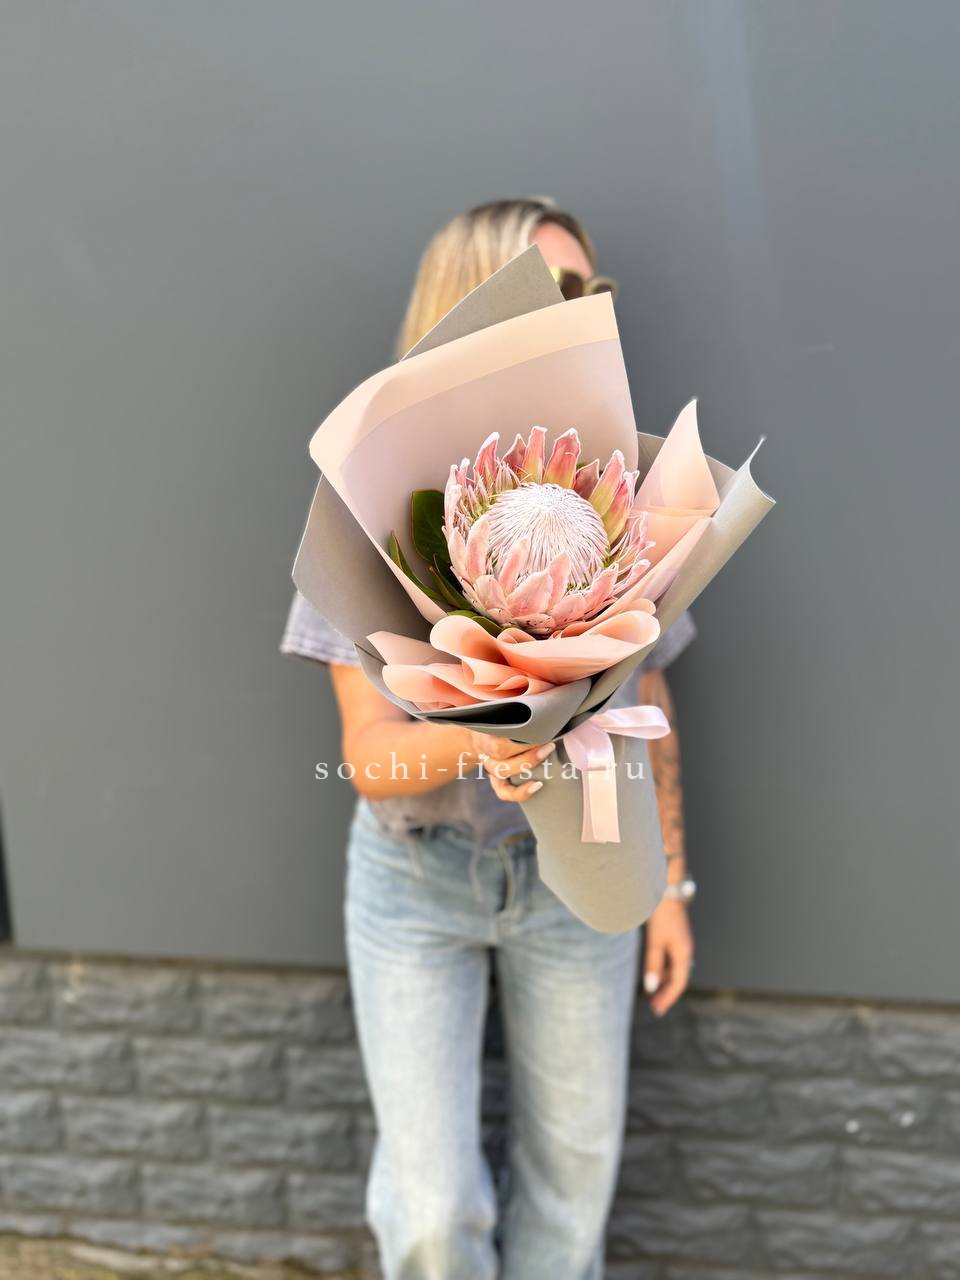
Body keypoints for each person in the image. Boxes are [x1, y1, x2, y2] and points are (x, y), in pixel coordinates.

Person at [282, 198, 696, 1280]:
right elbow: (369, 757)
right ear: (470, 301)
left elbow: (649, 688)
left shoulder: (611, 491)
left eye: (591, 292)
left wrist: (668, 880)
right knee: (430, 1212)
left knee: (576, 1183)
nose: (584, 312)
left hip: (577, 876)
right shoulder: (369, 503)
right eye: (558, 290)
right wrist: (490, 736)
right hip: (413, 879)